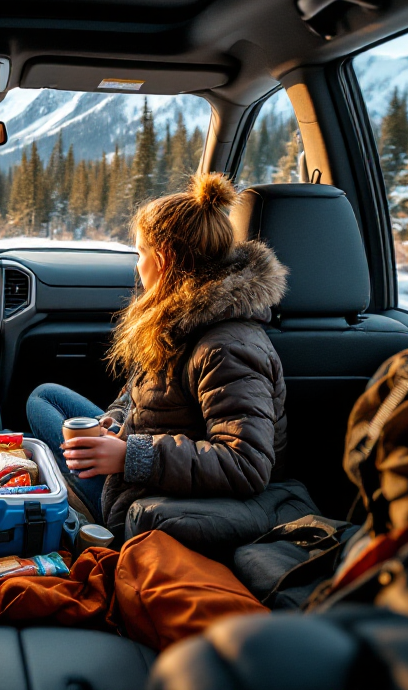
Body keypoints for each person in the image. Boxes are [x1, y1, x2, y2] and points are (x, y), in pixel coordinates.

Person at [26, 172, 288, 537]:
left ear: (162, 259)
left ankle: (89, 518)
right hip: (141, 459)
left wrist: (130, 456)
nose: (137, 265)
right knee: (45, 398)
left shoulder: (227, 347)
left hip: (152, 492)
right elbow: (142, 399)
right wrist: (114, 423)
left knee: (45, 436)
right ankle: (76, 489)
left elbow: (246, 464)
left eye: (139, 254)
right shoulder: (177, 320)